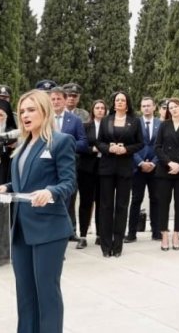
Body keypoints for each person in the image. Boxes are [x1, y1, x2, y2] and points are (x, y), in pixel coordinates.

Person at [0, 90, 77, 333]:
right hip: (21, 229)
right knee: (25, 294)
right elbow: (25, 181)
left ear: (44, 111)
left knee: (46, 292)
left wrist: (51, 192)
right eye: (22, 111)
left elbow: (69, 182)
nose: (25, 115)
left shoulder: (60, 141)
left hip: (49, 229)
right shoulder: (23, 144)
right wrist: (7, 187)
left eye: (31, 110)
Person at [96, 91, 142, 257]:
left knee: (122, 207)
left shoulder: (134, 122)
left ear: (127, 103)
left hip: (125, 168)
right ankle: (105, 245)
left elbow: (140, 143)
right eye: (117, 100)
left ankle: (118, 245)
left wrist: (126, 149)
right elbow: (99, 141)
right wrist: (109, 148)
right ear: (113, 103)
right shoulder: (106, 120)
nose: (120, 102)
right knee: (106, 206)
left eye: (123, 100)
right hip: (107, 168)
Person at [48, 84, 87, 243]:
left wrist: (66, 146)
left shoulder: (75, 120)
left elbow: (83, 143)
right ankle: (53, 233)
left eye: (59, 98)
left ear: (65, 101)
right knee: (51, 198)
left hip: (68, 165)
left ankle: (70, 231)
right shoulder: (45, 119)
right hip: (49, 165)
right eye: (53, 99)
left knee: (69, 198)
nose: (56, 101)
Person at [155, 97, 179, 250]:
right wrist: (169, 163)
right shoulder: (164, 126)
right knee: (163, 203)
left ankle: (177, 234)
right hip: (165, 170)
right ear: (168, 111)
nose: (174, 109)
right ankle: (164, 234)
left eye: (176, 106)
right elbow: (157, 147)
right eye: (171, 107)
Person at [126, 96, 160, 243]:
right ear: (140, 108)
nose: (146, 108)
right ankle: (132, 233)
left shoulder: (161, 124)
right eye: (143, 106)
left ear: (154, 107)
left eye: (149, 105)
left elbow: (163, 146)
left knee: (156, 200)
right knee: (136, 200)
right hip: (137, 168)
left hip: (155, 168)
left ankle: (157, 231)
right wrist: (140, 163)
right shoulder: (134, 123)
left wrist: (154, 163)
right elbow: (130, 146)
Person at [75, 99, 106, 249]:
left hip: (104, 168)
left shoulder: (109, 126)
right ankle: (83, 235)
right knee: (86, 202)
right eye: (97, 108)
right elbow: (79, 145)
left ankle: (100, 234)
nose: (100, 110)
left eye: (102, 108)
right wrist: (92, 150)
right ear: (92, 110)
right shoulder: (85, 126)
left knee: (102, 202)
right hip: (86, 168)